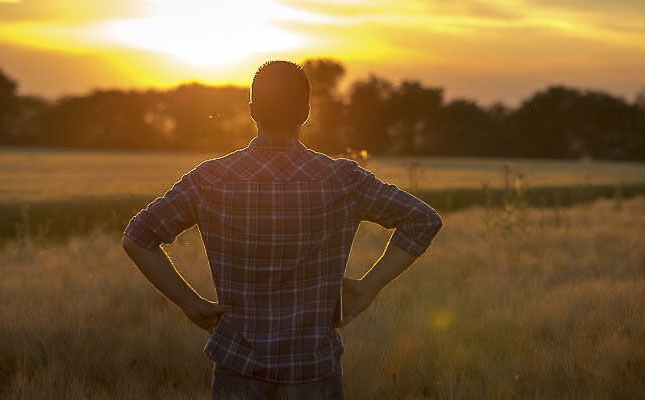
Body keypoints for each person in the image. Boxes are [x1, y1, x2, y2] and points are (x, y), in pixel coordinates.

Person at [121, 60, 443, 399]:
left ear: (252, 110)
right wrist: (369, 287)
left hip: (237, 370)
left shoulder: (209, 180)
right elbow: (423, 220)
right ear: (305, 112)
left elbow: (137, 238)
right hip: (314, 373)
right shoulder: (343, 180)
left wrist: (191, 304)